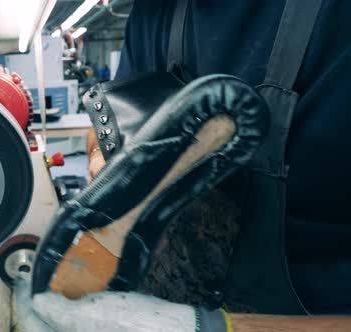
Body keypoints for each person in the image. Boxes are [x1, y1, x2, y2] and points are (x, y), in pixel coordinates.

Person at [25, 1, 351, 331]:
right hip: (165, 296)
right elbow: (105, 122)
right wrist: (107, 165)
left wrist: (213, 327)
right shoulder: (156, 12)